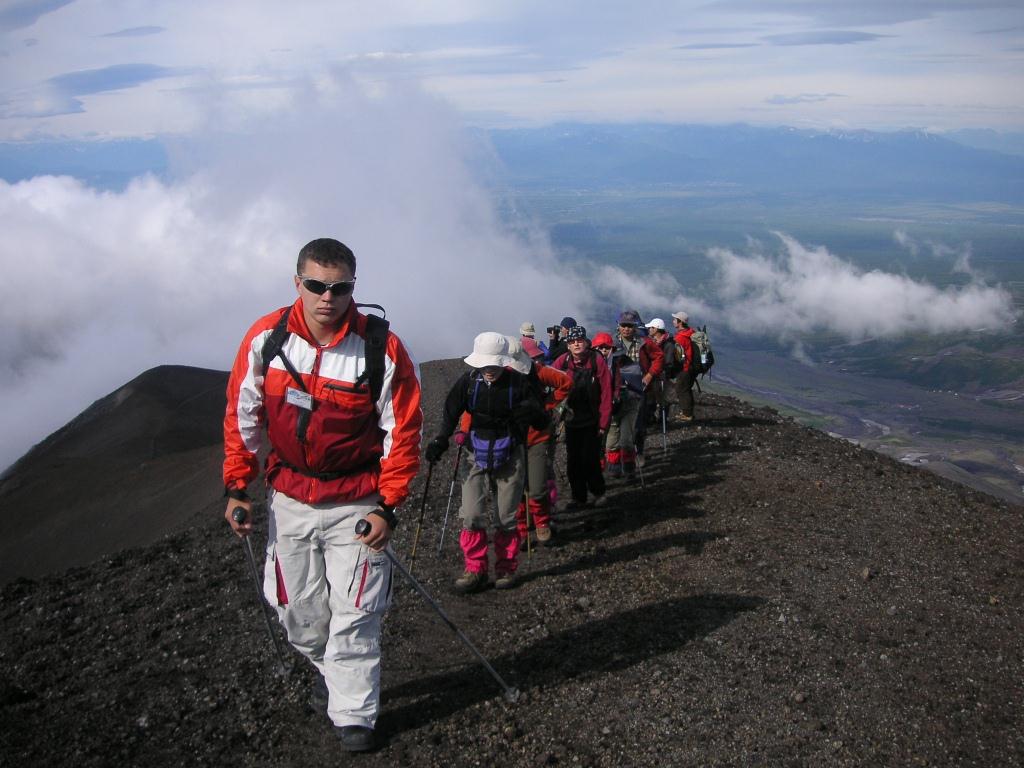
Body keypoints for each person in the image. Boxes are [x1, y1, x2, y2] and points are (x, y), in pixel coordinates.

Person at [223, 237, 423, 753]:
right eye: (316, 285)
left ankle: (354, 714)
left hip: (356, 498)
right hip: (289, 497)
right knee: (297, 611)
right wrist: (236, 486)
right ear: (298, 283)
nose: (327, 298)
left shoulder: (381, 348)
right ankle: (332, 671)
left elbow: (403, 432)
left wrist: (389, 507)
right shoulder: (265, 339)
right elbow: (243, 416)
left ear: (353, 288)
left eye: (339, 288)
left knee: (356, 609)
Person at [425, 333, 547, 593]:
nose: (489, 370)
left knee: (505, 517)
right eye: (485, 365)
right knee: (471, 515)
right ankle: (476, 569)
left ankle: (505, 568)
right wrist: (441, 440)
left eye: (494, 364)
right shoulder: (469, 383)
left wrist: (533, 412)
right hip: (477, 454)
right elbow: (450, 412)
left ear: (504, 362)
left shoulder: (519, 383)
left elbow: (541, 420)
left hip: (509, 453)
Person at [510, 336, 572, 546]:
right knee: (516, 487)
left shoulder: (537, 372)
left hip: (537, 436)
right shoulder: (498, 377)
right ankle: (522, 526)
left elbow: (565, 382)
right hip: (511, 441)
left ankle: (541, 522)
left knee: (535, 487)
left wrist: (548, 408)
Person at [552, 325, 611, 509]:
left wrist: (603, 423)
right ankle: (579, 497)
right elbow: (548, 381)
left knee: (590, 459)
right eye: (572, 341)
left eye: (579, 341)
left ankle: (598, 492)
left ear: (587, 343)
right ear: (568, 345)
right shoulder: (562, 362)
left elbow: (606, 393)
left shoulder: (596, 361)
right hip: (571, 421)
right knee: (573, 460)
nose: (576, 344)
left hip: (592, 420)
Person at [611, 310, 664, 477]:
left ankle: (637, 453)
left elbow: (659, 357)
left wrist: (649, 375)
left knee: (638, 424)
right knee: (617, 424)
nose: (626, 329)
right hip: (618, 388)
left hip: (639, 388)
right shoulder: (612, 342)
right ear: (618, 326)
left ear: (635, 327)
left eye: (629, 326)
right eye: (623, 325)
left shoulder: (644, 342)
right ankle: (620, 458)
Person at [672, 311, 696, 422]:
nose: (673, 321)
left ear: (680, 322)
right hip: (692, 367)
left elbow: (677, 355)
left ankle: (687, 414)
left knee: (681, 390)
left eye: (675, 319)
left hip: (685, 367)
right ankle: (689, 412)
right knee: (686, 389)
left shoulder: (681, 337)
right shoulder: (690, 332)